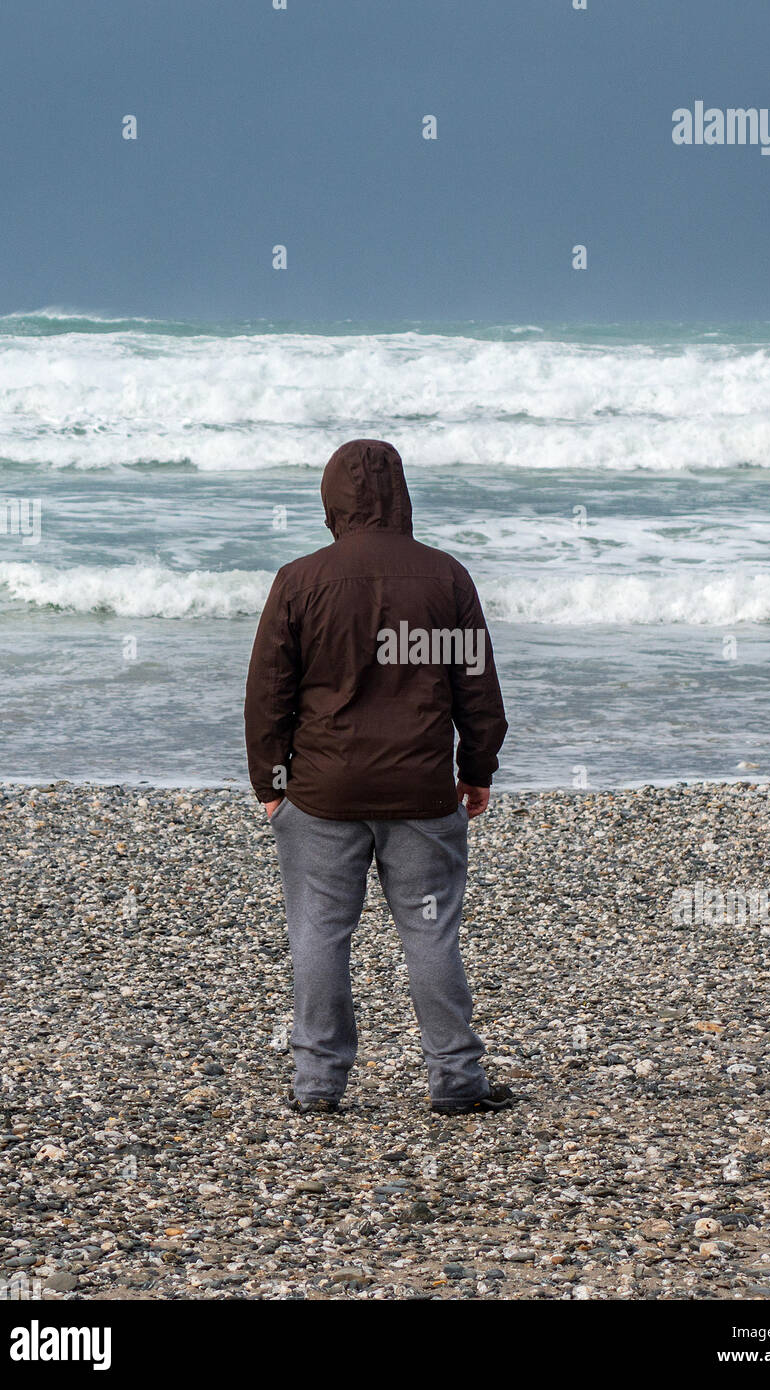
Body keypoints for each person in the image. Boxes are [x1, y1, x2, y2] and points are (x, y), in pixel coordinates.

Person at [244, 438, 514, 1115]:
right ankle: (456, 1082)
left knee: (319, 933)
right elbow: (476, 689)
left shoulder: (301, 579)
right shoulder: (445, 577)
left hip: (324, 793)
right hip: (421, 792)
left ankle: (317, 1085)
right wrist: (476, 768)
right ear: (401, 496)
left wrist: (271, 784)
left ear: (331, 500)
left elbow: (269, 693)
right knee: (429, 931)